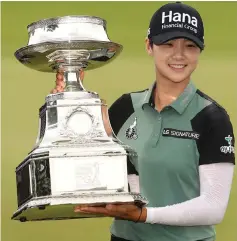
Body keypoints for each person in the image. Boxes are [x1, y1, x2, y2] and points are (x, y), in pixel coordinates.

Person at [52, 2, 235, 241]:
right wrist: (69, 99)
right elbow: (84, 150)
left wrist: (143, 215)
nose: (179, 55)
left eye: (190, 46)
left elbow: (213, 207)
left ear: (200, 51)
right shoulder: (126, 107)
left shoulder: (211, 118)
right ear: (149, 46)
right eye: (168, 43)